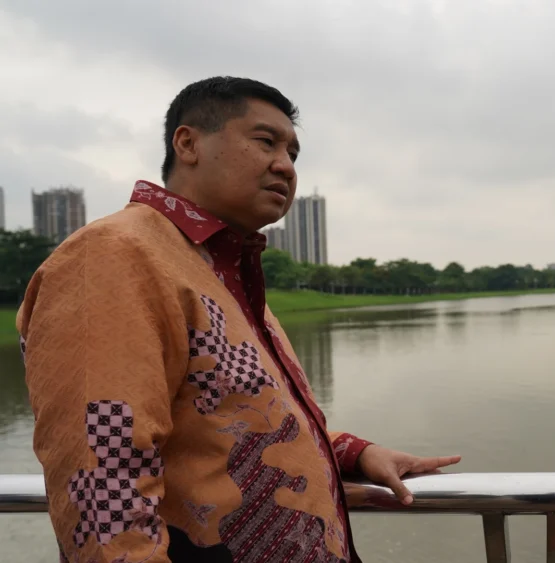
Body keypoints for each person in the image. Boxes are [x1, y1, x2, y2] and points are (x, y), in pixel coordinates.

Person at [17, 76, 461, 562]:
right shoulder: (113, 257)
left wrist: (355, 454)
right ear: (188, 144)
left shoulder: (220, 270)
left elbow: (233, 422)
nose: (285, 166)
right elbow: (102, 480)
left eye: (293, 153)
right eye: (266, 141)